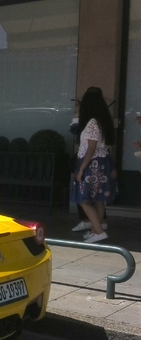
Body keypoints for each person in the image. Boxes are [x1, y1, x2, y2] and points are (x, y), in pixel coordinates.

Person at [69, 87, 115, 243]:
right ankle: (96, 229)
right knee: (98, 199)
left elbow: (91, 147)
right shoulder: (101, 120)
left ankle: (99, 231)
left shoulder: (91, 123)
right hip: (101, 162)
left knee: (83, 198)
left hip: (91, 163)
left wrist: (81, 169)